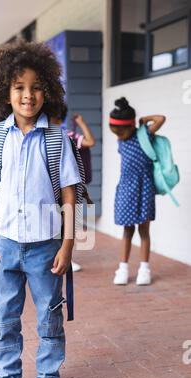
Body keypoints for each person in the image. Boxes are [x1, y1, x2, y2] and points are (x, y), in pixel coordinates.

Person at [0, 40, 81, 378]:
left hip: (45, 246)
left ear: (47, 91)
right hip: (4, 244)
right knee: (5, 315)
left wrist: (68, 245)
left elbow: (71, 195)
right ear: (5, 92)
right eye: (19, 87)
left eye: (36, 87)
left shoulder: (56, 139)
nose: (28, 95)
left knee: (50, 316)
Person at [109, 97, 165, 286]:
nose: (119, 135)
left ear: (131, 126)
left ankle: (144, 269)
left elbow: (160, 118)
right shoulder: (121, 140)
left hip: (144, 189)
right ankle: (123, 268)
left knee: (144, 230)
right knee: (127, 230)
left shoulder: (144, 135)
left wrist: (144, 120)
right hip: (126, 189)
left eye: (121, 131)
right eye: (116, 132)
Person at [52, 105, 96, 272]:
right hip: (59, 186)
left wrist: (81, 123)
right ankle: (61, 254)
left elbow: (90, 142)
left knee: (65, 221)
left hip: (68, 186)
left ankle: (66, 255)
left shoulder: (67, 135)